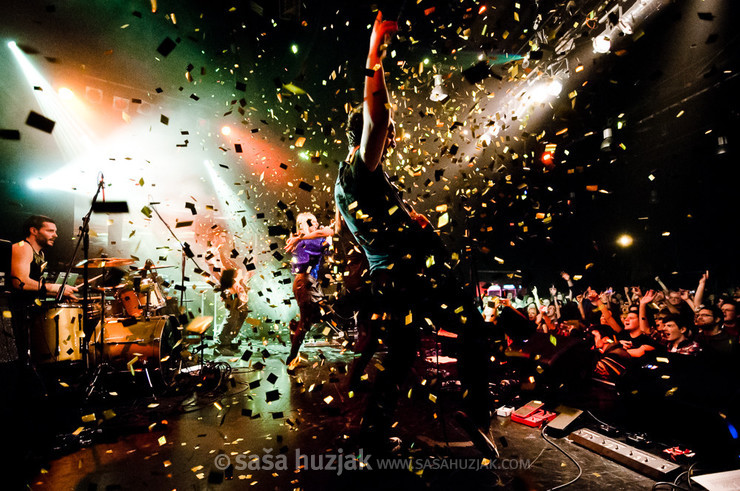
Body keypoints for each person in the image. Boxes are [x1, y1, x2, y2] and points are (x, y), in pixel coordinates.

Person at [334, 11, 493, 455]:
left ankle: (372, 436)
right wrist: (374, 51)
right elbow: (377, 118)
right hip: (407, 275)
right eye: (386, 136)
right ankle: (475, 413)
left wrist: (410, 222)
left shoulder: (356, 181)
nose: (392, 138)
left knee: (401, 356)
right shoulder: (359, 169)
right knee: (475, 332)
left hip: (393, 278)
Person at [284, 212, 333, 367]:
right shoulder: (306, 241)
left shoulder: (304, 239)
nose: (317, 225)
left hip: (308, 283)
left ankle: (294, 329)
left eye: (317, 222)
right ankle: (292, 356)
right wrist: (330, 230)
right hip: (304, 283)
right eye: (313, 222)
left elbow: (328, 250)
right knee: (307, 322)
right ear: (304, 225)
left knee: (312, 319)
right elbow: (328, 241)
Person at [205, 244, 250, 357]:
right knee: (232, 317)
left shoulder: (224, 256)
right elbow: (219, 273)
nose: (223, 240)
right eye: (221, 236)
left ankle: (228, 341)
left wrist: (241, 282)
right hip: (229, 291)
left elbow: (237, 270)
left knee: (242, 314)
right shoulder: (211, 254)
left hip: (237, 289)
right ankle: (221, 345)